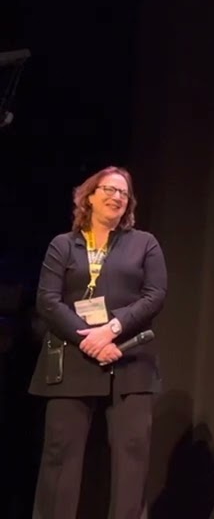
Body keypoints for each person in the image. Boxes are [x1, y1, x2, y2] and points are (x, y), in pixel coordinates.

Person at [30, 166, 167, 519]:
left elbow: (155, 295)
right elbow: (47, 301)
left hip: (129, 356)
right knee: (60, 457)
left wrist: (112, 330)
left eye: (123, 192)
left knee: (132, 460)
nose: (116, 196)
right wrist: (89, 339)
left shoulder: (144, 243)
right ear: (88, 197)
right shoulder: (63, 245)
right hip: (73, 357)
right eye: (108, 189)